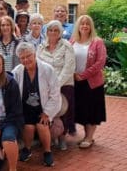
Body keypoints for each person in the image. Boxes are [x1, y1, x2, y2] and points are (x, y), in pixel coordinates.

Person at [12, 42, 61, 167]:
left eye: (28, 56)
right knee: (28, 127)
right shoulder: (17, 71)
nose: (26, 60)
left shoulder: (47, 69)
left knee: (42, 125)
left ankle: (47, 152)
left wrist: (47, 113)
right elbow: (12, 93)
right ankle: (27, 150)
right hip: (26, 108)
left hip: (43, 107)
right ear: (19, 59)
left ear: (34, 54)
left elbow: (55, 94)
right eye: (22, 58)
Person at [37, 20, 76, 151]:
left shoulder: (67, 46)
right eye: (50, 30)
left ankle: (62, 137)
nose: (53, 32)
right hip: (46, 85)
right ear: (46, 32)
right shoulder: (41, 47)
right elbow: (38, 66)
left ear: (60, 32)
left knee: (63, 111)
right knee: (48, 110)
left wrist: (56, 85)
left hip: (64, 84)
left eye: (56, 30)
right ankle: (51, 135)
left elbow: (69, 67)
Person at [70, 15, 107, 149]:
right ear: (78, 26)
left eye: (87, 24)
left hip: (92, 83)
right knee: (83, 110)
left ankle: (89, 137)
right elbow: (68, 58)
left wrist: (83, 75)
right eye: (82, 24)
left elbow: (100, 63)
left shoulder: (97, 42)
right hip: (76, 81)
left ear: (91, 26)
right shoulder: (73, 40)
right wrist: (73, 74)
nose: (84, 26)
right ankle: (86, 136)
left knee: (92, 111)